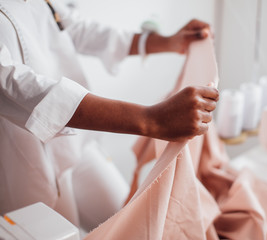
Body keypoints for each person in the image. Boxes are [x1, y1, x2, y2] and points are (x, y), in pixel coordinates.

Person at [0, 0, 218, 231]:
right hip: (25, 162)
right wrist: (149, 119)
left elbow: (75, 28)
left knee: (136, 224)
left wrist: (167, 41)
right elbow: (14, 83)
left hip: (76, 143)